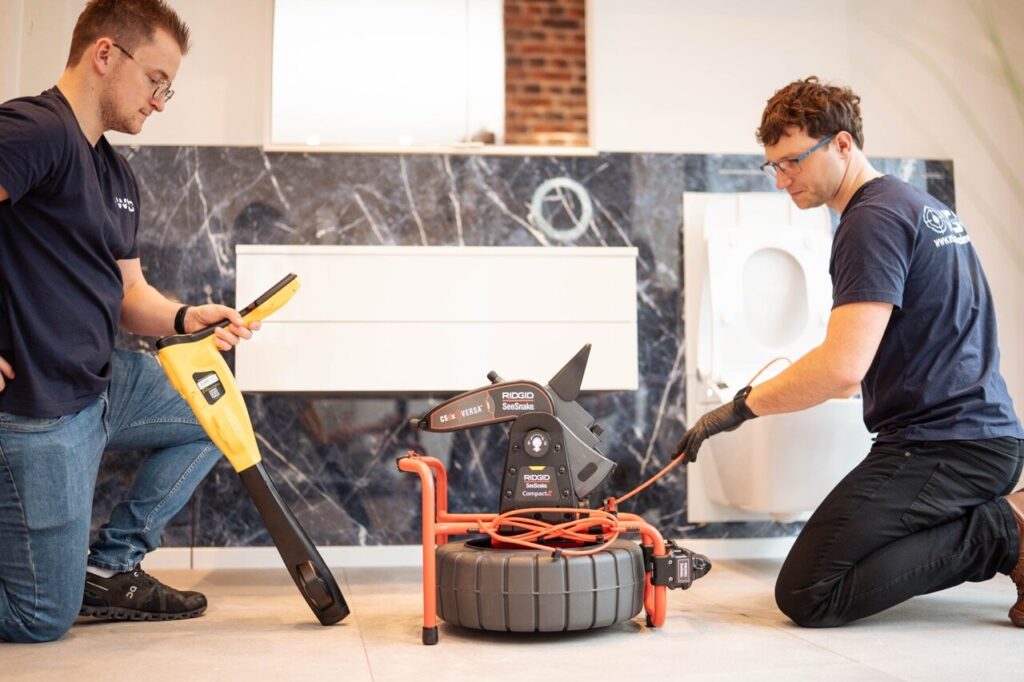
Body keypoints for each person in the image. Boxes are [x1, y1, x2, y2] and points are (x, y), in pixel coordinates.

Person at [674, 76, 1024, 628]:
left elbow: (841, 370)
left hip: (943, 447)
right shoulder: (920, 206)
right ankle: (995, 524)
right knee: (837, 561)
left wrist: (738, 408)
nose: (782, 180)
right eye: (774, 166)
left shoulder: (870, 220)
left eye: (793, 161)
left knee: (809, 592)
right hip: (980, 437)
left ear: (842, 144)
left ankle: (1003, 532)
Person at [0, 0, 259, 643]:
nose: (162, 101)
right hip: (41, 407)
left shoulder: (113, 171)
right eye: (156, 81)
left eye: (169, 88)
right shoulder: (37, 130)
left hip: (100, 383)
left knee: (212, 403)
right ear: (106, 53)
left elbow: (129, 291)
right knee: (40, 619)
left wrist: (182, 316)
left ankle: (112, 567)